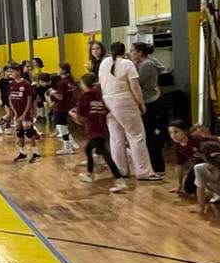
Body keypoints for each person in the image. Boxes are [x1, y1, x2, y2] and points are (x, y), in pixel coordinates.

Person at [98, 42, 160, 181]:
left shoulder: (104, 63)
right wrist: (141, 104)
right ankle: (143, 172)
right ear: (124, 51)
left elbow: (101, 83)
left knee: (116, 138)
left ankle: (121, 170)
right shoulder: (127, 64)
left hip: (107, 100)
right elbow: (135, 87)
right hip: (124, 101)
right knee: (136, 136)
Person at [72, 73, 123, 187]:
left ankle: (118, 179)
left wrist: (73, 115)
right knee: (89, 150)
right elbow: (105, 110)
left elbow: (80, 116)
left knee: (105, 155)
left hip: (94, 130)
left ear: (84, 84)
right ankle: (90, 174)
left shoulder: (84, 97)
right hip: (102, 129)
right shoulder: (99, 95)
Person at [131, 42, 167, 171]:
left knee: (151, 136)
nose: (131, 53)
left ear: (140, 52)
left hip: (150, 103)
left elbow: (136, 82)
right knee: (148, 135)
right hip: (149, 101)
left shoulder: (147, 65)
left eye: (133, 51)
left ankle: (158, 167)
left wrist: (132, 66)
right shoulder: (145, 63)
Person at [5, 64, 42, 163]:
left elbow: (30, 100)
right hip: (17, 113)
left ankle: (36, 154)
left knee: (29, 132)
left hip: (26, 113)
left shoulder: (26, 84)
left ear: (18, 71)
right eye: (9, 71)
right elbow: (10, 98)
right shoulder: (11, 84)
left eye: (12, 71)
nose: (10, 73)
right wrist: (15, 112)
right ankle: (22, 153)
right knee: (19, 132)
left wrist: (25, 113)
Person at [47, 63, 80, 156]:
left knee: (62, 127)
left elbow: (60, 96)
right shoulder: (70, 81)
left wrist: (52, 92)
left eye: (59, 68)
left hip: (61, 107)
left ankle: (68, 147)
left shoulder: (62, 82)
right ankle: (71, 144)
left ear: (63, 70)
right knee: (63, 127)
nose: (58, 70)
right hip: (68, 106)